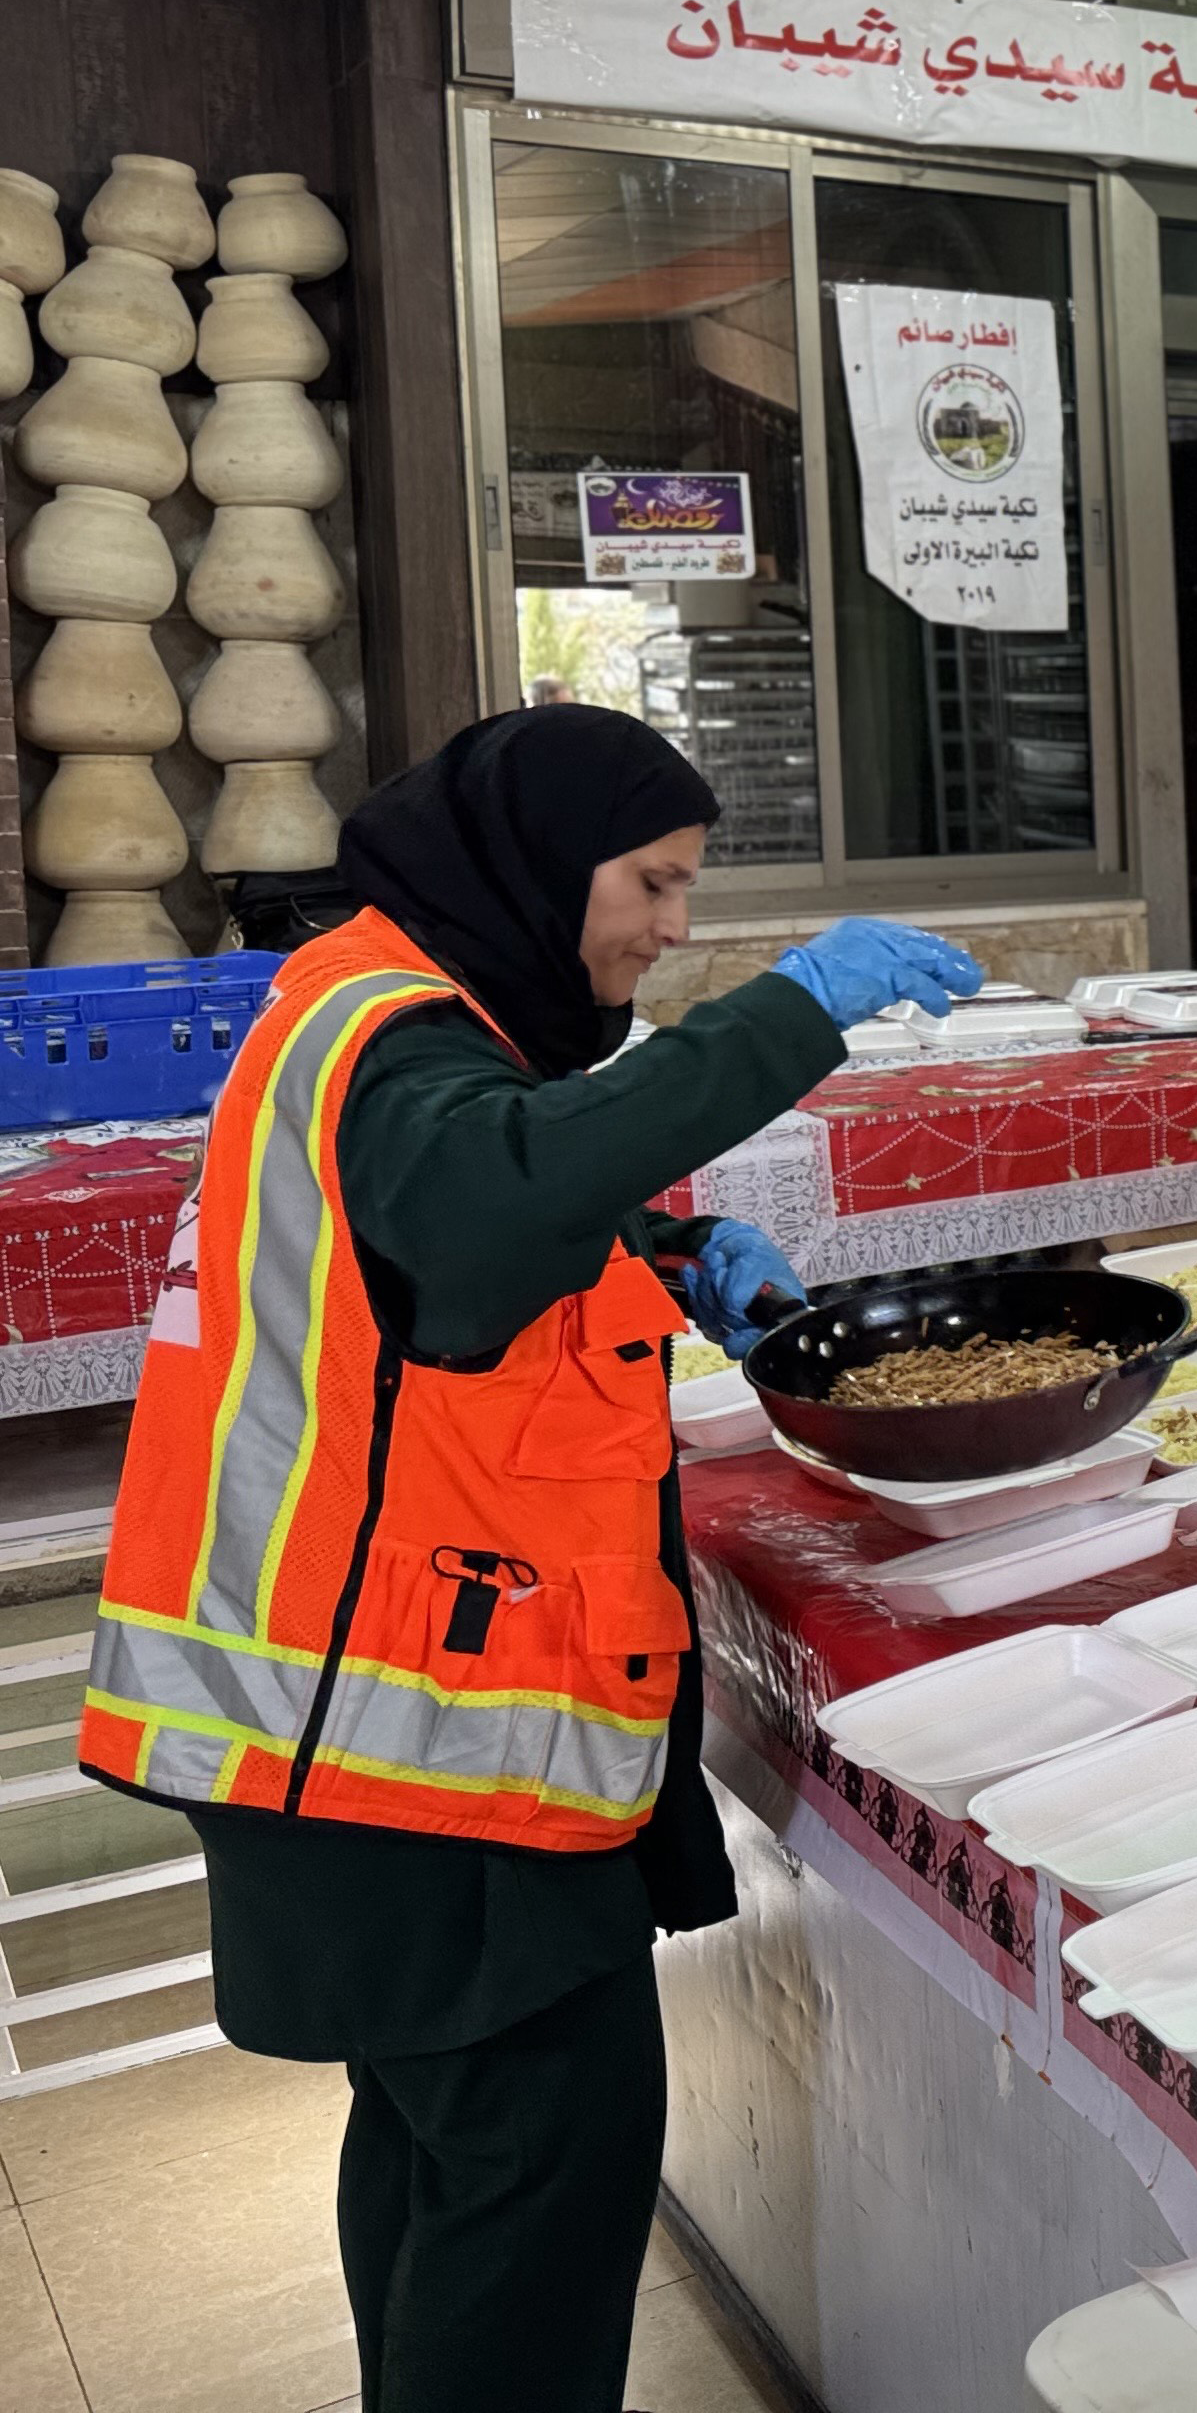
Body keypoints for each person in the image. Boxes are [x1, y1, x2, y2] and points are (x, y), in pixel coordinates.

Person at [74, 705, 982, 2412]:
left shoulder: (368, 1005)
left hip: (328, 1749)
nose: (671, 924)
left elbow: (439, 1228)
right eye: (651, 880)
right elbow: (487, 1193)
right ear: (532, 861)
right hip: (403, 1748)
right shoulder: (399, 1037)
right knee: (540, 2176)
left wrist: (674, 1243)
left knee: (436, 2150)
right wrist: (793, 1010)